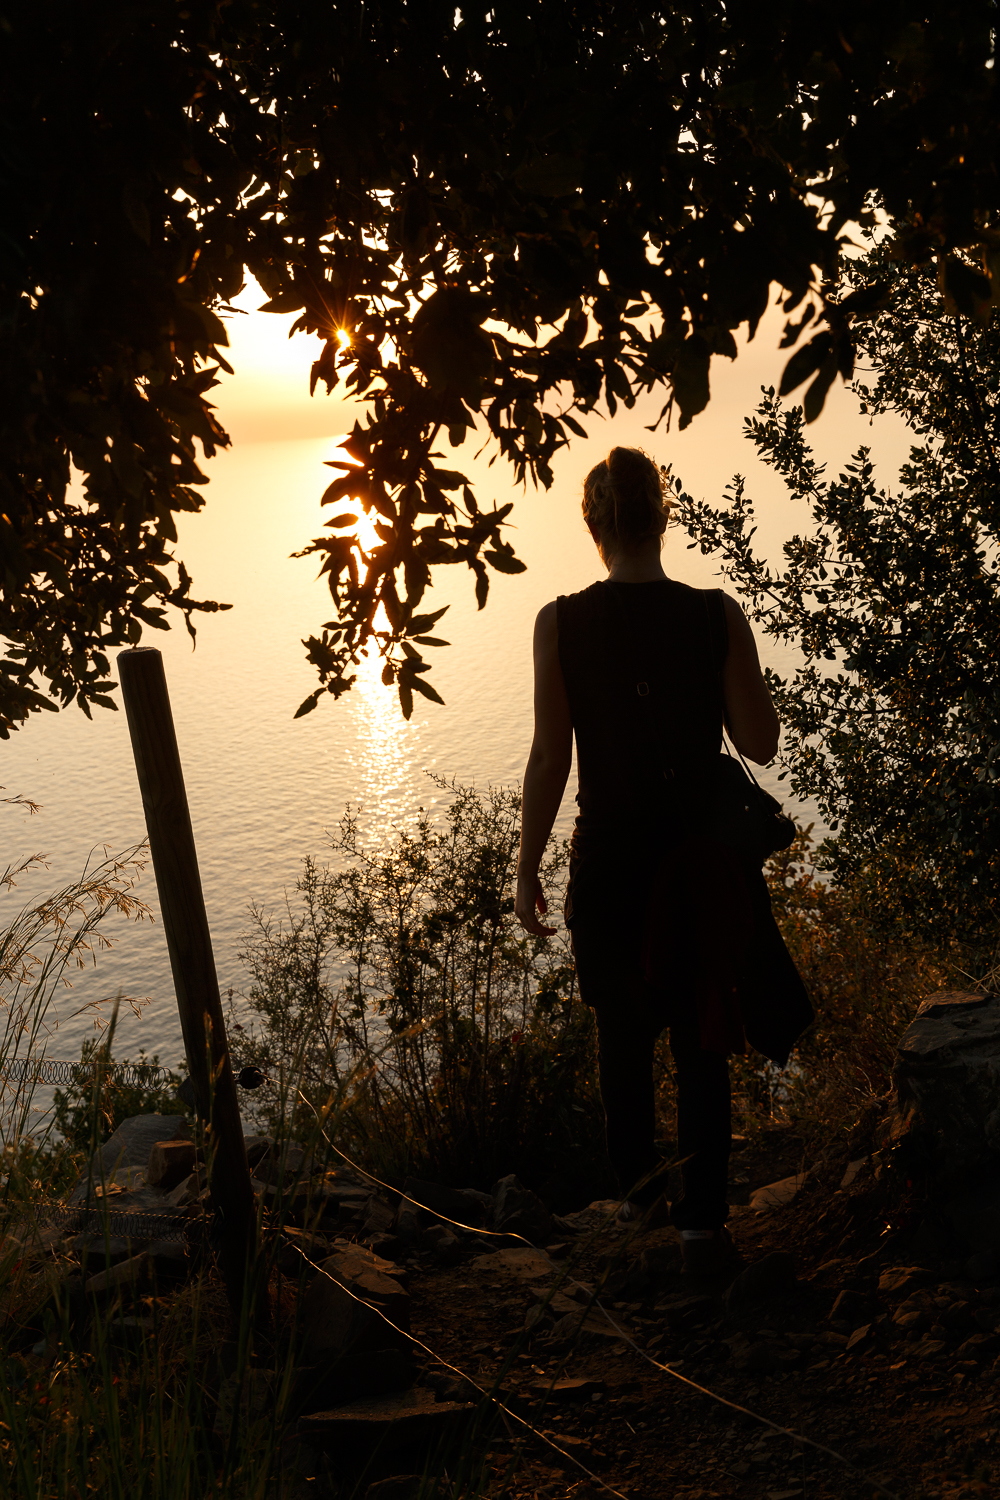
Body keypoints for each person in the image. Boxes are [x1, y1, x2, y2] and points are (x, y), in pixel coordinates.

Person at [514, 446, 812, 1274]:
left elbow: (550, 758)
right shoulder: (716, 613)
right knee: (701, 1033)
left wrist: (527, 864)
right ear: (663, 516)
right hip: (698, 865)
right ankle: (701, 1225)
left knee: (622, 1037)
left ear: (594, 524)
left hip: (610, 862)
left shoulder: (560, 621)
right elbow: (759, 742)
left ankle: (643, 1200)